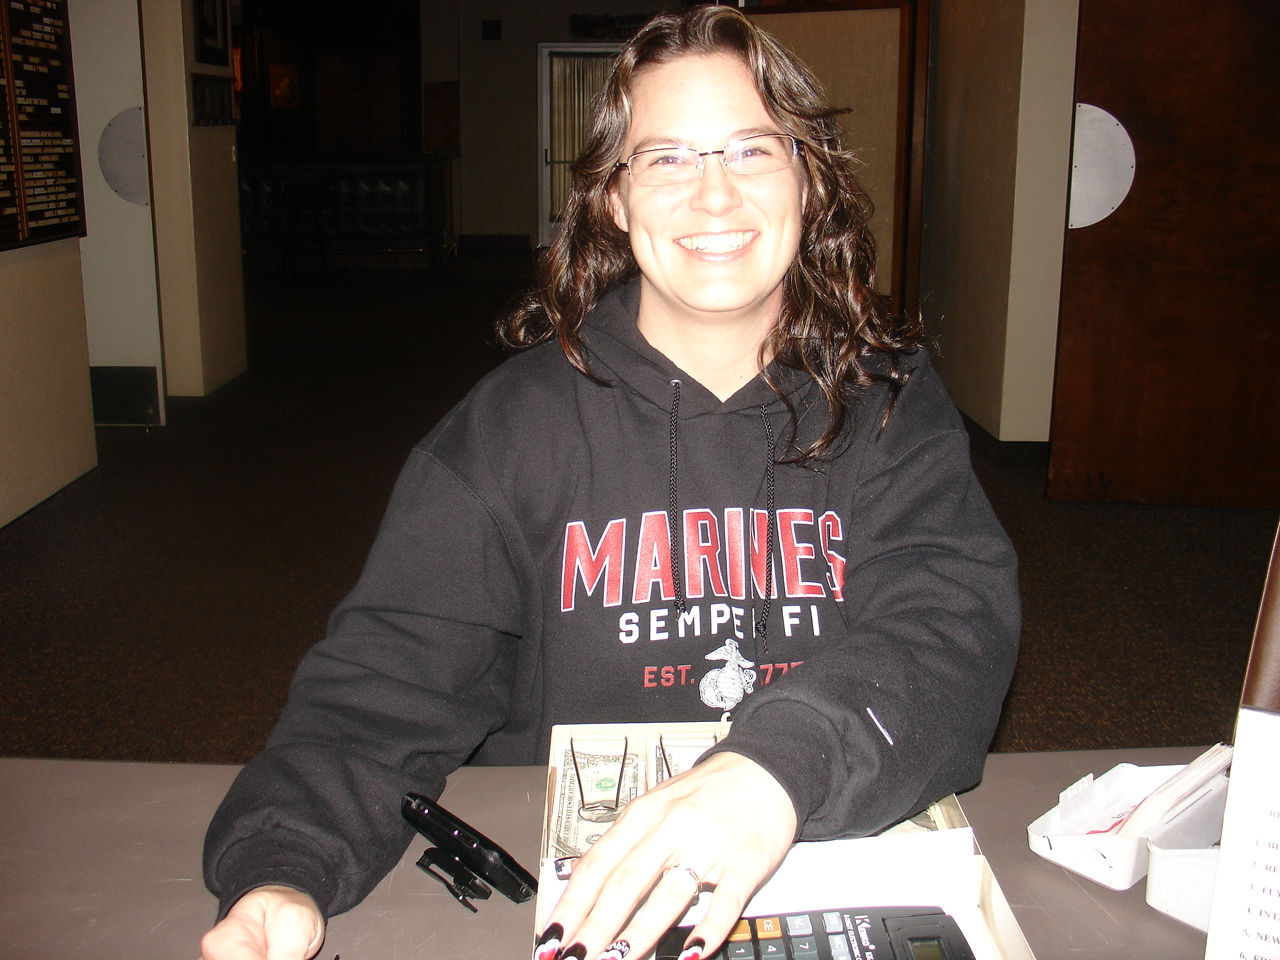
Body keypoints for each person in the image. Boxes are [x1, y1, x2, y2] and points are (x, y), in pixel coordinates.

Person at [199, 8, 1019, 960]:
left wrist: (775, 769)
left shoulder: (888, 400)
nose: (715, 194)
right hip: (577, 903)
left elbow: (952, 623)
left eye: (753, 149)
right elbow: (387, 679)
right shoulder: (511, 429)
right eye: (667, 158)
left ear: (808, 181)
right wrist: (285, 865)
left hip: (824, 849)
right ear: (616, 200)